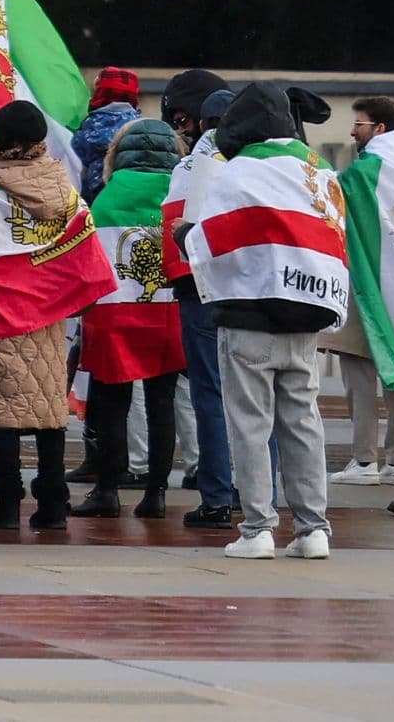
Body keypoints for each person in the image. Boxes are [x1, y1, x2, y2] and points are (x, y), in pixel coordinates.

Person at [188, 79, 342, 559]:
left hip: (249, 315)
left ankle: (257, 530)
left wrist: (182, 236)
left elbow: (215, 239)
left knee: (250, 425)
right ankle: (313, 530)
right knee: (303, 422)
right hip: (307, 311)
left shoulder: (238, 171)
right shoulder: (320, 170)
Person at [0, 100, 82, 529]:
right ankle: (53, 504)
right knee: (48, 406)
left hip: (1, 312)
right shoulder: (64, 189)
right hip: (48, 312)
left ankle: (6, 502)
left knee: (2, 408)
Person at [77, 114, 185, 515]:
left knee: (111, 402)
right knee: (162, 402)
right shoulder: (178, 196)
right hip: (168, 313)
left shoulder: (105, 200)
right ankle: (156, 494)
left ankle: (107, 490)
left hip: (114, 315)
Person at [159, 65, 239, 528]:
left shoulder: (189, 166)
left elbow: (174, 233)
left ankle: (216, 496)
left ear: (199, 123)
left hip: (198, 288)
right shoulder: (256, 161)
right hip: (250, 287)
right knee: (258, 395)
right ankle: (259, 489)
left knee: (208, 391)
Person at [338, 97, 394, 488]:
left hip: (366, 281)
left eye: (359, 124)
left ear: (379, 129)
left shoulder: (362, 173)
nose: (353, 131)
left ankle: (364, 460)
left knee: (358, 369)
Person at [75, 67, 143, 199]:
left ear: (100, 93)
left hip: (93, 198)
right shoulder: (142, 127)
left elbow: (72, 163)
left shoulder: (88, 127)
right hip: (132, 196)